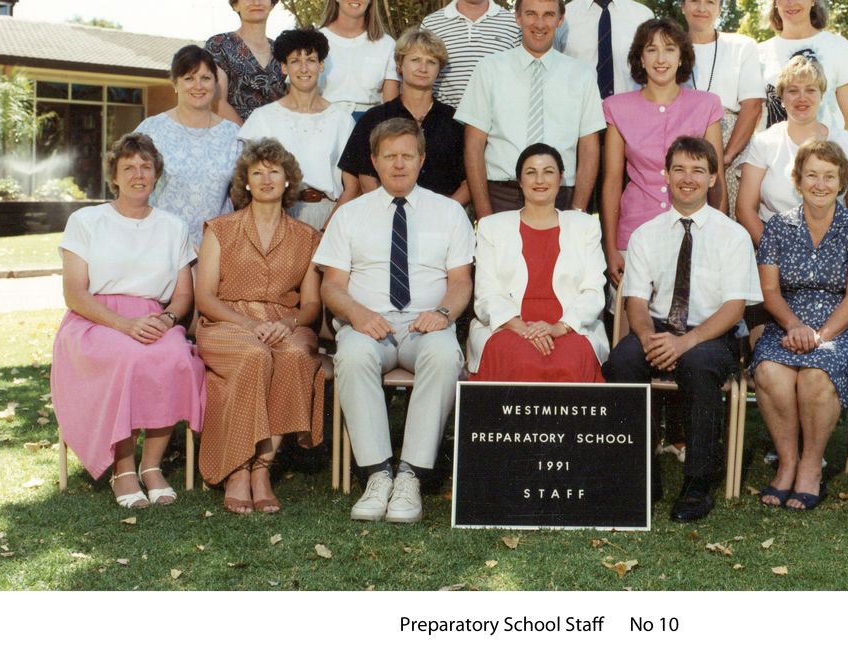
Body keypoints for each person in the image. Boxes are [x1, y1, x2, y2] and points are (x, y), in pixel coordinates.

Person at [315, 118, 474, 523]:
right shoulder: (350, 215)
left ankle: (410, 476)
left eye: (407, 155)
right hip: (369, 322)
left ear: (422, 159)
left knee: (444, 356)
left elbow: (460, 283)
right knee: (352, 356)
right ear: (374, 161)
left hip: (426, 323)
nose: (399, 164)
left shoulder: (449, 212)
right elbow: (331, 286)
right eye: (389, 156)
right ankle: (378, 473)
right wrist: (356, 313)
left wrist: (442, 314)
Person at [604, 137, 761, 522]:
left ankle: (697, 483)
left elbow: (734, 308)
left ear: (712, 178)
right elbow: (636, 301)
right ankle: (638, 475)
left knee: (698, 364)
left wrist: (685, 342)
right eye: (679, 169)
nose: (687, 178)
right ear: (666, 175)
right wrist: (647, 339)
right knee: (622, 361)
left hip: (712, 332)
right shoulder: (645, 234)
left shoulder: (733, 235)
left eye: (697, 171)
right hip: (658, 327)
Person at [50, 133, 205, 509]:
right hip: (95, 320)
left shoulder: (173, 226)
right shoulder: (86, 221)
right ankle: (123, 468)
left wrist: (167, 320)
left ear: (156, 174)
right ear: (115, 176)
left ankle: (151, 466)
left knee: (176, 357)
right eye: (129, 167)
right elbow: (75, 294)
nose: (138, 175)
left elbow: (183, 296)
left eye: (146, 167)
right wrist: (124, 325)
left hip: (153, 318)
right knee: (128, 358)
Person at [194, 138, 325, 515]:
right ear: (246, 182)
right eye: (257, 173)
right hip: (227, 321)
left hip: (284, 324)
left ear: (288, 180)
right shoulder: (220, 229)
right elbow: (205, 297)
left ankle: (262, 469)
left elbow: (311, 304)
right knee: (255, 354)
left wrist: (287, 322)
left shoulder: (308, 237)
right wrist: (250, 323)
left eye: (274, 171)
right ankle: (237, 468)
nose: (266, 179)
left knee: (296, 355)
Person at [750, 140, 848, 510]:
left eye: (829, 176)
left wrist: (821, 337)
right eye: (811, 175)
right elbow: (769, 290)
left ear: (841, 182)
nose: (820, 184)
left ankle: (810, 466)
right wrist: (794, 326)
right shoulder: (778, 226)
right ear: (798, 180)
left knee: (815, 374)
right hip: (786, 325)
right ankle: (787, 462)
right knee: (770, 372)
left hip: (844, 328)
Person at [456, 0, 606, 218]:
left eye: (548, 15)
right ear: (518, 17)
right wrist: (484, 215)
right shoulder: (489, 69)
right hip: (502, 193)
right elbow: (473, 144)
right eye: (531, 14)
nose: (539, 23)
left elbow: (589, 148)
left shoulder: (582, 75)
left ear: (560, 20)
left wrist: (577, 212)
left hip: (561, 195)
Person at [468, 144, 608, 382]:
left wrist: (559, 327)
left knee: (569, 362)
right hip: (508, 326)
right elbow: (486, 293)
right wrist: (523, 329)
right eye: (531, 172)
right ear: (520, 181)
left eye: (548, 172)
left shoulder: (585, 226)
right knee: (521, 361)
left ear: (561, 178)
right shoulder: (492, 227)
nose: (540, 180)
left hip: (570, 326)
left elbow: (593, 292)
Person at [601, 18, 726, 286]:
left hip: (695, 232)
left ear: (681, 57)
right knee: (633, 312)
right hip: (634, 234)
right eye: (651, 49)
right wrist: (610, 248)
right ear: (641, 58)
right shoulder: (617, 108)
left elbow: (717, 181)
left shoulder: (707, 105)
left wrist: (720, 237)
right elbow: (612, 181)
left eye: (669, 49)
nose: (660, 59)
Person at [737, 55, 848, 248]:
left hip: (834, 249)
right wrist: (776, 254)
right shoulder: (763, 143)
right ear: (781, 97)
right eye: (793, 91)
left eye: (810, 90)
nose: (802, 98)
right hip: (775, 248)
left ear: (822, 95)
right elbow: (744, 209)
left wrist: (835, 254)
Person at [238, 28, 353, 230]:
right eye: (295, 61)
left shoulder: (342, 120)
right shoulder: (262, 118)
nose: (304, 68)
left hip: (329, 216)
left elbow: (352, 187)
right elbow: (245, 180)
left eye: (311, 60)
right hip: (277, 215)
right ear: (284, 67)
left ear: (321, 65)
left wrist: (326, 232)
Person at [338, 27, 468, 204]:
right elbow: (366, 177)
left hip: (443, 215)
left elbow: (468, 181)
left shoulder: (455, 121)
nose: (423, 68)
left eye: (431, 62)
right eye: (415, 60)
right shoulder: (375, 118)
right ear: (399, 65)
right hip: (385, 213)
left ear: (439, 69)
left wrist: (444, 212)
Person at [135, 45, 241, 246]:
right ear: (175, 83)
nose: (198, 86)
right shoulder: (151, 130)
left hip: (217, 248)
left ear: (215, 83)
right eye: (189, 78)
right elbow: (128, 185)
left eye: (206, 78)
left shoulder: (233, 134)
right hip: (161, 246)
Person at [680, 0, 765, 216]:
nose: (702, 8)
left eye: (710, 2)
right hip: (683, 147)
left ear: (720, 8)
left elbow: (752, 107)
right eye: (694, 0)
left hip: (731, 148)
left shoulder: (741, 46)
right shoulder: (670, 47)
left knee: (731, 221)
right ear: (683, 6)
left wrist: (724, 158)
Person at [756, 0, 848, 132]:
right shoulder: (757, 53)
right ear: (775, 2)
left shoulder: (837, 46)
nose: (791, 2)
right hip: (772, 148)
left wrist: (825, 144)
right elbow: (754, 113)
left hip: (826, 146)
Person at [419, 0, 521, 108]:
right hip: (444, 118)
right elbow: (421, 78)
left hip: (497, 119)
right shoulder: (432, 24)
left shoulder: (513, 25)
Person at [318, 0, 397, 120]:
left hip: (370, 124)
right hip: (323, 121)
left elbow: (391, 109)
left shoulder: (387, 44)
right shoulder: (315, 40)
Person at [205, 0, 285, 124]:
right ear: (235, 5)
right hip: (232, 134)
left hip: (279, 135)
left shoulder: (282, 51)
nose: (256, 2)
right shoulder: (219, 45)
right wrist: (248, 136)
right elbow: (217, 102)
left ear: (272, 4)